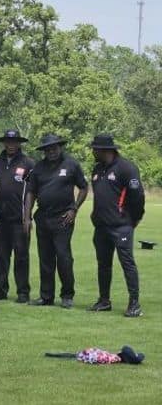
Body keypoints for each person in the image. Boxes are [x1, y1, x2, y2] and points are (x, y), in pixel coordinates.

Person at [23, 134, 88, 308]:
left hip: (63, 219)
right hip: (43, 217)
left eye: (54, 148)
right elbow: (31, 192)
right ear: (44, 151)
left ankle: (67, 295)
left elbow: (83, 187)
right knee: (45, 259)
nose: (51, 151)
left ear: (60, 147)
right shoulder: (38, 168)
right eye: (47, 149)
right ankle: (46, 296)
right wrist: (27, 216)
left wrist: (74, 208)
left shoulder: (71, 164)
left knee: (64, 257)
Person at [87, 134, 145, 317]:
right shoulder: (97, 169)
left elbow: (138, 197)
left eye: (95, 149)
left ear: (106, 150)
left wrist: (133, 219)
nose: (93, 151)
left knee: (127, 263)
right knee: (103, 264)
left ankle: (134, 304)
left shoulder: (126, 168)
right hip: (101, 227)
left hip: (121, 226)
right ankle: (104, 301)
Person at [0, 130, 34, 303]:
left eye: (14, 141)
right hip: (1, 219)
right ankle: (1, 289)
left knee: (21, 256)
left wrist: (28, 218)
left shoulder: (28, 163)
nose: (11, 144)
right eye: (8, 141)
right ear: (4, 143)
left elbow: (32, 192)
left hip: (20, 220)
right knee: (2, 256)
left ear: (19, 143)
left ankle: (23, 292)